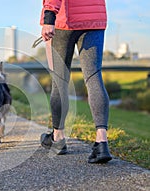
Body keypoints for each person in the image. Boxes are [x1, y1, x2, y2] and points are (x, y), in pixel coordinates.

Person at [39, 0, 112, 163]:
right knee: (94, 77)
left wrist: (49, 17)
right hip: (95, 19)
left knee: (59, 80)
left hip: (65, 21)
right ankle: (102, 142)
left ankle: (58, 138)